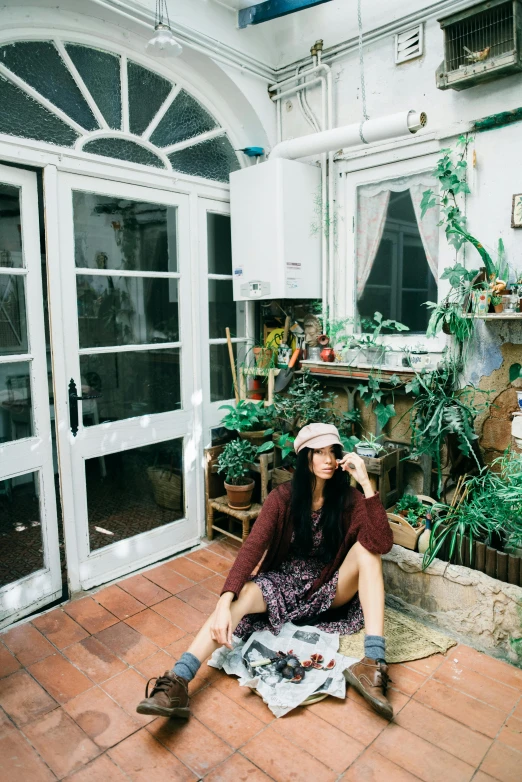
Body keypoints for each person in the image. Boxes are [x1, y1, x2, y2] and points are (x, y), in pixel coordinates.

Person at [137, 422, 394, 721]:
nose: (327, 459)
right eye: (318, 452)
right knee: (241, 595)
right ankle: (178, 681)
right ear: (304, 458)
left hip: (327, 586)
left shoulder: (348, 499)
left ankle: (372, 662)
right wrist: (223, 602)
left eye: (332, 452)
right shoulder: (282, 498)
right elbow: (252, 548)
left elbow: (382, 542)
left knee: (369, 553)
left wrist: (364, 483)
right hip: (284, 583)